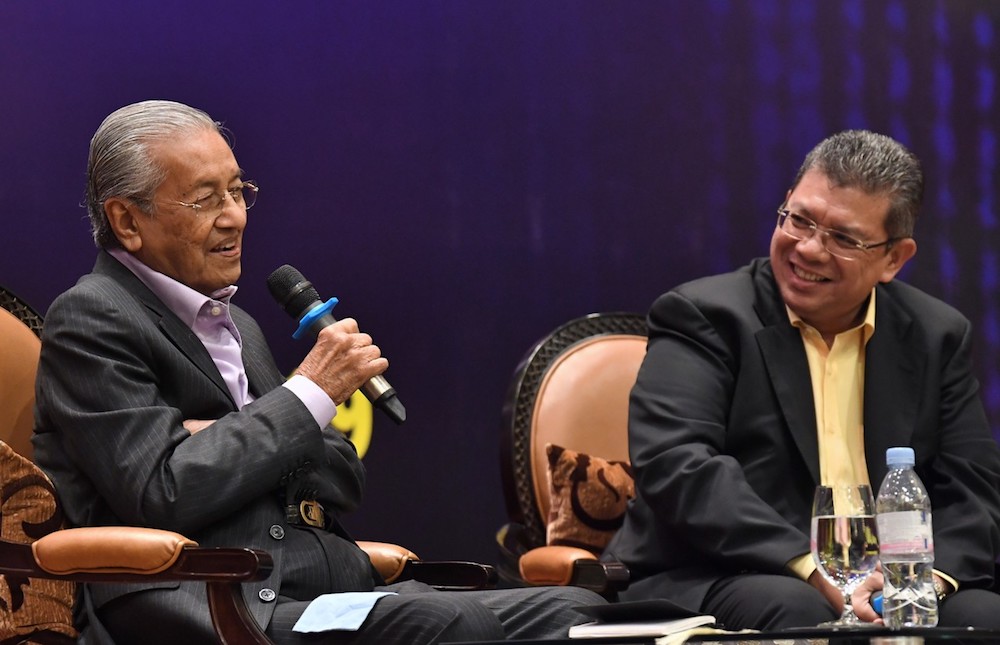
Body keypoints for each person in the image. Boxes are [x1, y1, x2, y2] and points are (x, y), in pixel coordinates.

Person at [32, 99, 604, 645]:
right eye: (205, 199)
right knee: (449, 624)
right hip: (209, 600)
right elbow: (163, 491)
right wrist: (307, 395)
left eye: (237, 191)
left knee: (576, 613)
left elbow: (343, 476)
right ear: (128, 220)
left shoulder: (242, 327)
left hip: (325, 588)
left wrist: (230, 436)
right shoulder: (93, 316)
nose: (234, 216)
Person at [602, 129, 1000, 630]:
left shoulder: (935, 336)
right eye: (800, 220)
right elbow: (678, 466)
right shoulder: (705, 316)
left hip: (888, 578)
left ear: (893, 259)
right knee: (796, 610)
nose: (809, 249)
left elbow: (975, 491)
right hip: (723, 572)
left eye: (843, 238)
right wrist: (812, 570)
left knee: (985, 616)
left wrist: (922, 581)